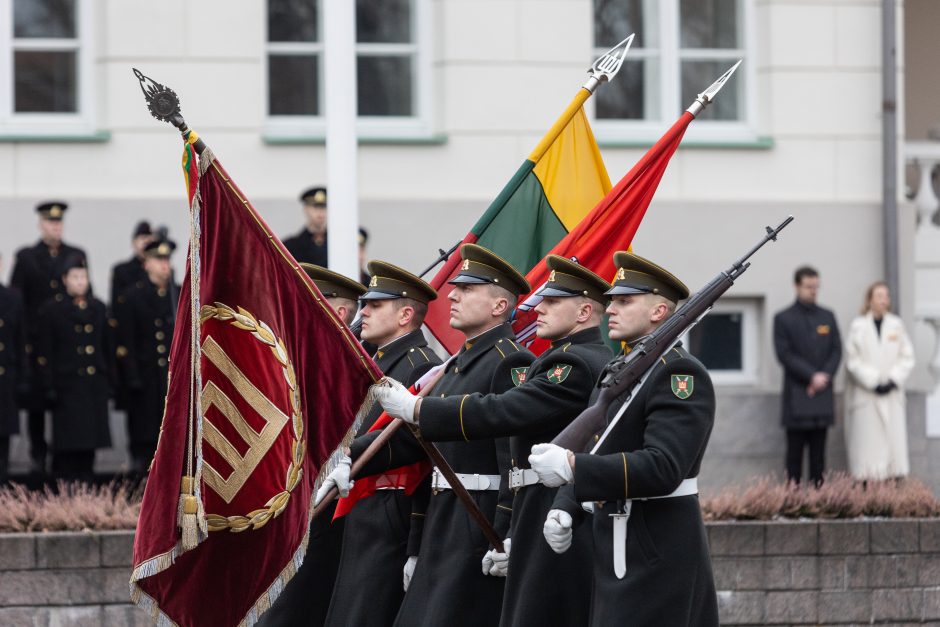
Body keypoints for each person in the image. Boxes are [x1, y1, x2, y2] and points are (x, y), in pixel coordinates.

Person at [376, 254, 612, 626]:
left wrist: (418, 409)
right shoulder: (553, 359)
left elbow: (503, 417)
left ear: (584, 312)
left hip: (544, 511)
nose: (539, 308)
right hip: (518, 512)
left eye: (552, 302)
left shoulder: (573, 363)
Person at [325, 243, 534, 626]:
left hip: (478, 522)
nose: (452, 294)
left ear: (499, 306)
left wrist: (507, 532)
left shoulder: (510, 361)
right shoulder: (456, 365)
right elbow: (413, 442)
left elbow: (513, 461)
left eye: (467, 290)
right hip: (444, 519)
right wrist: (348, 459)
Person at [527, 251, 719, 627]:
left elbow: (663, 466)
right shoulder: (619, 370)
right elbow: (597, 444)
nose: (610, 308)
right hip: (613, 541)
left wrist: (571, 467)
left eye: (625, 300)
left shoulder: (679, 373)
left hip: (657, 547)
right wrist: (565, 504)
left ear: (659, 312)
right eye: (612, 299)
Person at [324, 260, 441, 627]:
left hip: (389, 511)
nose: (364, 312)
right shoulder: (375, 360)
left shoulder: (421, 366)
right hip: (359, 506)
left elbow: (420, 452)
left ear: (406, 314)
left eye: (375, 305)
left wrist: (415, 544)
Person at [258, 264, 367, 627]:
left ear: (337, 312)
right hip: (285, 501)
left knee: (295, 607)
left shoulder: (345, 364)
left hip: (324, 503)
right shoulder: (293, 356)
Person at [10, 201, 87, 474]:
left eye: (58, 222)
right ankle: (38, 454)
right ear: (41, 225)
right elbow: (17, 301)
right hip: (37, 343)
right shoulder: (27, 257)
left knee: (66, 401)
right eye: (50, 222)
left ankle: (63, 454)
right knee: (37, 404)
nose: (55, 226)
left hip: (66, 343)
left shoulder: (75, 254)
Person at [36, 256, 112, 483]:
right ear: (65, 280)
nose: (80, 282)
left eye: (83, 277)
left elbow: (105, 346)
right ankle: (66, 495)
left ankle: (87, 493)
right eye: (75, 277)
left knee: (89, 445)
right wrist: (48, 384)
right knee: (67, 446)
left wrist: (108, 380)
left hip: (92, 385)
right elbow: (46, 351)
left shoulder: (98, 307)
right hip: (66, 386)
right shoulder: (52, 309)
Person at [114, 237, 178, 473]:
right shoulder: (133, 297)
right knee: (145, 437)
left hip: (172, 379)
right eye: (158, 259)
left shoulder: (179, 294)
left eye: (167, 259)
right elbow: (127, 342)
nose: (164, 265)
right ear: (146, 264)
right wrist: (132, 378)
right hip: (145, 378)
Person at [773, 266, 842, 486]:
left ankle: (818, 501)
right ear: (797, 286)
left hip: (821, 396)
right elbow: (784, 354)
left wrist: (824, 377)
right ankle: (792, 502)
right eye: (809, 286)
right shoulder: (783, 318)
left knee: (819, 455)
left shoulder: (827, 316)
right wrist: (811, 376)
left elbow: (836, 351)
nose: (813, 291)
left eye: (816, 287)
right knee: (794, 454)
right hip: (797, 395)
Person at [844, 281, 915, 481]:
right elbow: (853, 360)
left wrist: (892, 380)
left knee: (893, 452)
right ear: (870, 300)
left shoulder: (896, 325)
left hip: (891, 395)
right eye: (879, 296)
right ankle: (867, 492)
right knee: (868, 451)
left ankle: (891, 493)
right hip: (867, 396)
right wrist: (874, 381)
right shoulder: (858, 326)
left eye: (887, 296)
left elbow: (907, 357)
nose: (884, 300)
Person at [0, 254, 27, 483]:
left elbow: (20, 341)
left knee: (3, 440)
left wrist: (22, 379)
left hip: (4, 380)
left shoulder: (12, 297)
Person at [110, 221, 154, 306]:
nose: (147, 246)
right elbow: (118, 303)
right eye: (143, 240)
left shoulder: (162, 270)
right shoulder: (122, 270)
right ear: (134, 243)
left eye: (150, 241)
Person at [283, 187, 329, 267]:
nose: (320, 211)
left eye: (324, 207)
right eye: (316, 207)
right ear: (306, 209)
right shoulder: (290, 246)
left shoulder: (337, 243)